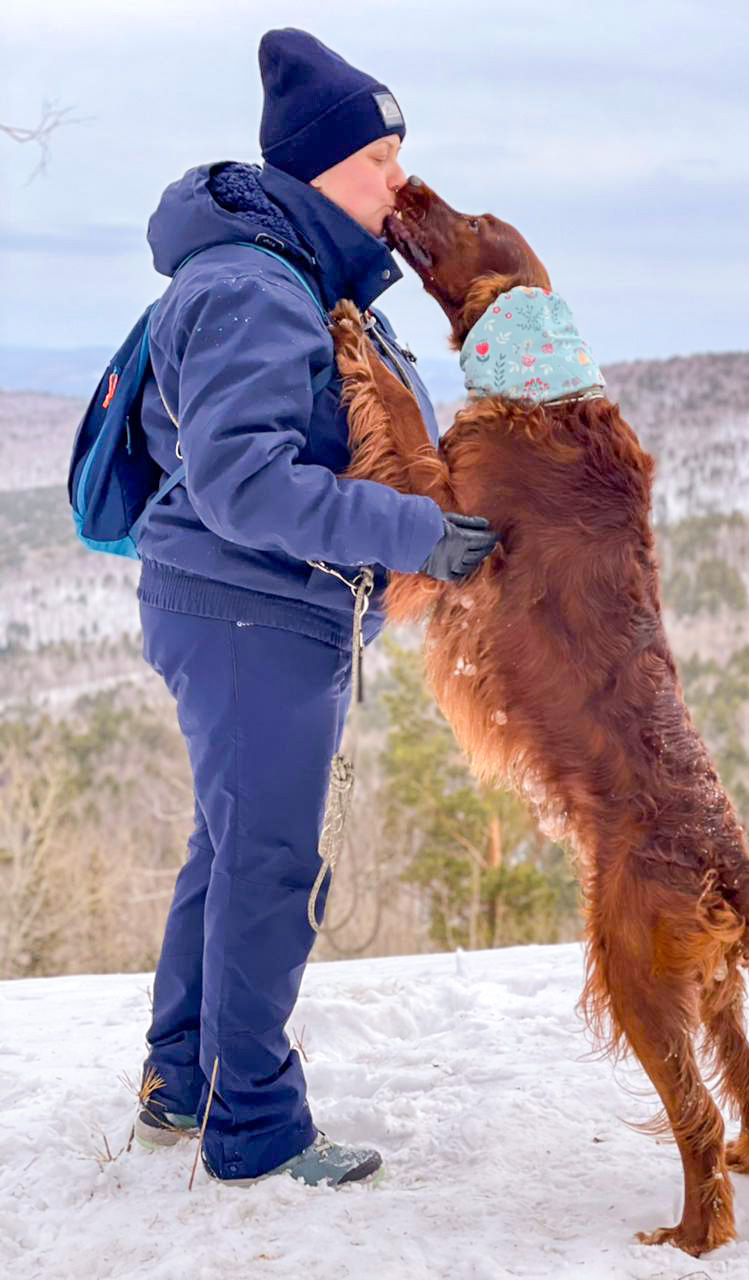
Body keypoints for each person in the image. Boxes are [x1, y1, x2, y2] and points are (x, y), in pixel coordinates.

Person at [131, 27, 498, 1187]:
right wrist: (420, 535)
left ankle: (179, 1081)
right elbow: (244, 482)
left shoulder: (284, 272)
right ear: (321, 165)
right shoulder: (251, 285)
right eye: (383, 157)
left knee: (232, 848)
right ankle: (255, 1127)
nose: (401, 182)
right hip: (250, 609)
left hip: (248, 607)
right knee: (272, 866)